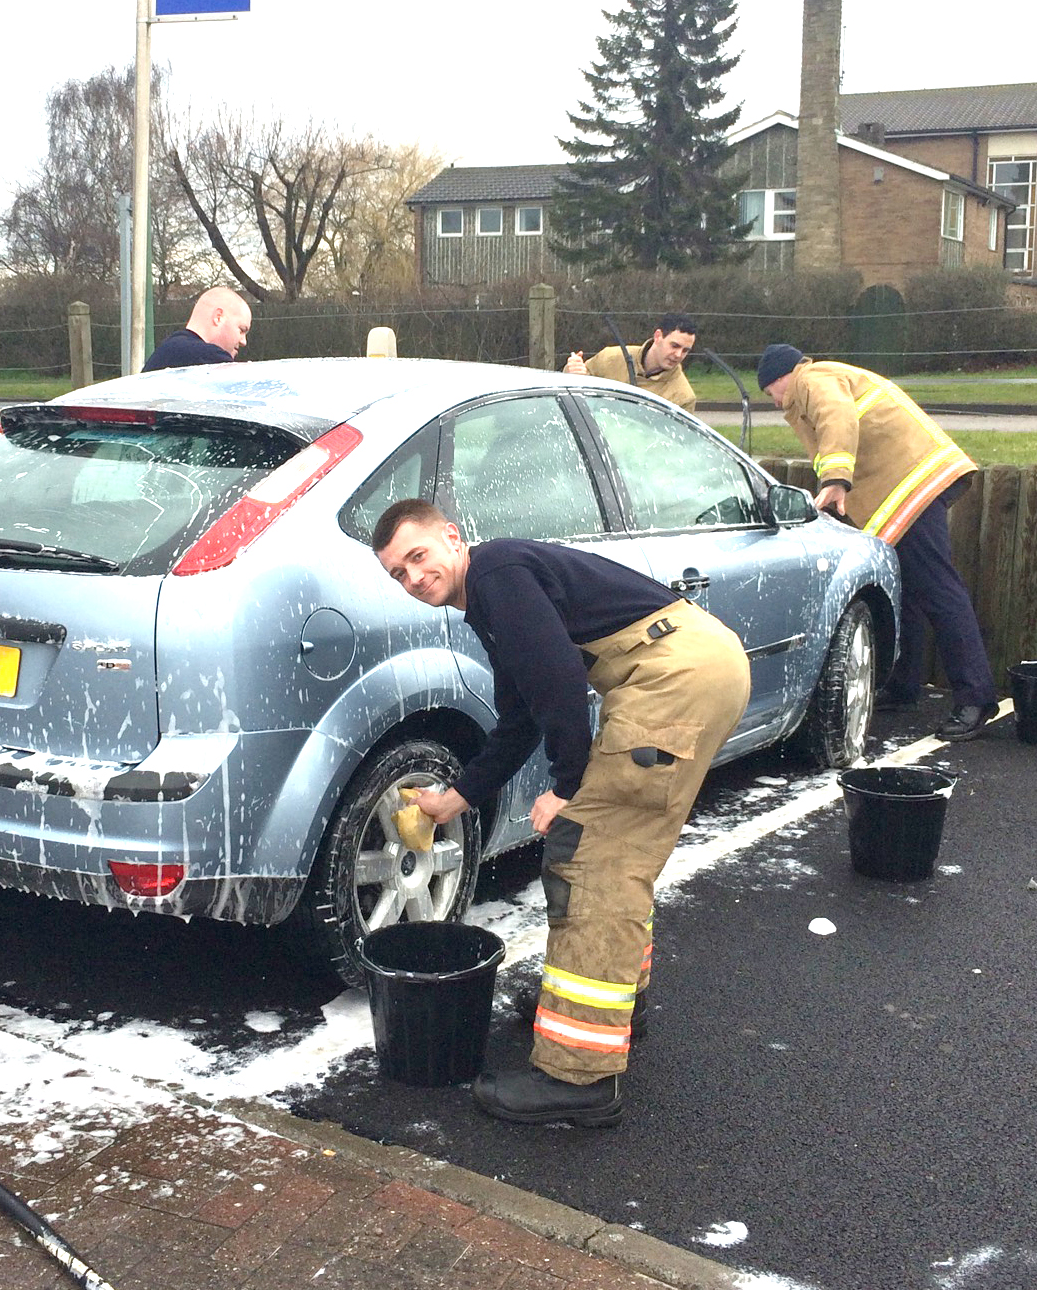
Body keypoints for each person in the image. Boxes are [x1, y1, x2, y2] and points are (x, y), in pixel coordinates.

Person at [371, 500, 750, 1127]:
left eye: (418, 556)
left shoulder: (496, 575)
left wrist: (569, 786)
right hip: (691, 668)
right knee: (613, 858)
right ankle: (615, 1007)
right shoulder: (495, 591)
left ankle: (578, 1078)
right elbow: (521, 716)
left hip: (673, 681)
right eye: (397, 574)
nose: (413, 578)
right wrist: (454, 799)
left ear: (452, 538)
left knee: (592, 863)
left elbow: (560, 686)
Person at [756, 344, 999, 741]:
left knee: (939, 590)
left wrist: (835, 477)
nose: (777, 402)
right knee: (908, 592)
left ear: (782, 377)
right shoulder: (829, 375)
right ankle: (904, 686)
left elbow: (837, 417)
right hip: (909, 486)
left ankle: (976, 698)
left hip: (913, 486)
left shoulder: (813, 380)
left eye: (772, 393)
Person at [564, 313, 698, 411]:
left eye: (685, 350)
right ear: (658, 336)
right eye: (674, 346)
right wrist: (571, 372)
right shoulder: (611, 358)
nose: (678, 355)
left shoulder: (683, 397)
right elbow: (570, 393)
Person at [143, 287, 251, 371]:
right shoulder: (205, 357)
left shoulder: (172, 350)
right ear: (218, 317)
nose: (243, 342)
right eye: (241, 330)